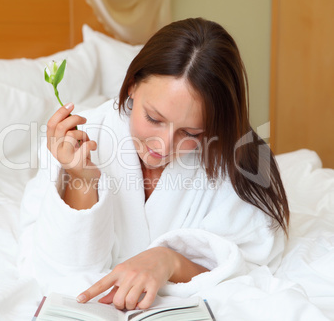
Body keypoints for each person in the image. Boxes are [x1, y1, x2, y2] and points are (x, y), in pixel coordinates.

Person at [19, 17, 289, 311]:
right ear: (133, 85)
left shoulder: (237, 164)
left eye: (191, 132)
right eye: (153, 119)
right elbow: (56, 269)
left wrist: (169, 260)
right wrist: (80, 178)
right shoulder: (83, 138)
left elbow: (244, 268)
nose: (163, 145)